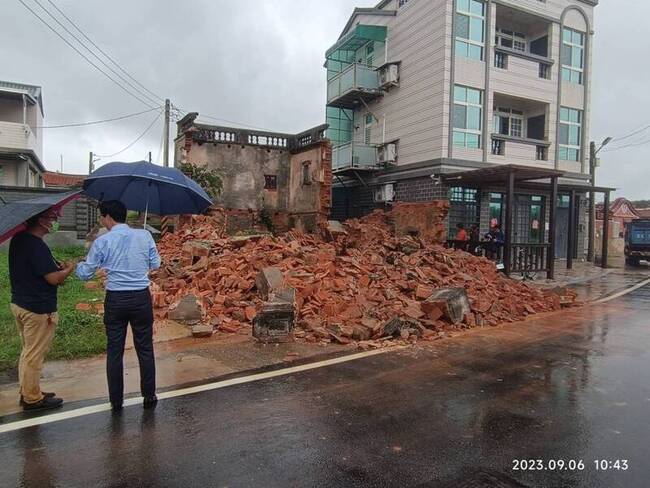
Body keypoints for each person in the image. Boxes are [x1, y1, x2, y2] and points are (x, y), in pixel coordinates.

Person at [76, 201, 161, 412]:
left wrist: (77, 266)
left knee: (115, 350)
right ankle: (149, 395)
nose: (101, 221)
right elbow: (156, 264)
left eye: (101, 217)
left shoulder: (103, 240)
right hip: (141, 298)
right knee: (145, 348)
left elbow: (85, 273)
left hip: (116, 299)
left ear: (108, 217)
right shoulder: (145, 236)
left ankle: (116, 400)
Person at [9, 209, 74, 411]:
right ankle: (32, 399)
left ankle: (29, 390)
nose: (54, 222)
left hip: (20, 303)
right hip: (37, 309)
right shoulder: (36, 246)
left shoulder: (19, 239)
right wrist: (68, 269)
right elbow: (53, 279)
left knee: (28, 352)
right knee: (34, 355)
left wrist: (57, 267)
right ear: (40, 220)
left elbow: (41, 270)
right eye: (51, 218)